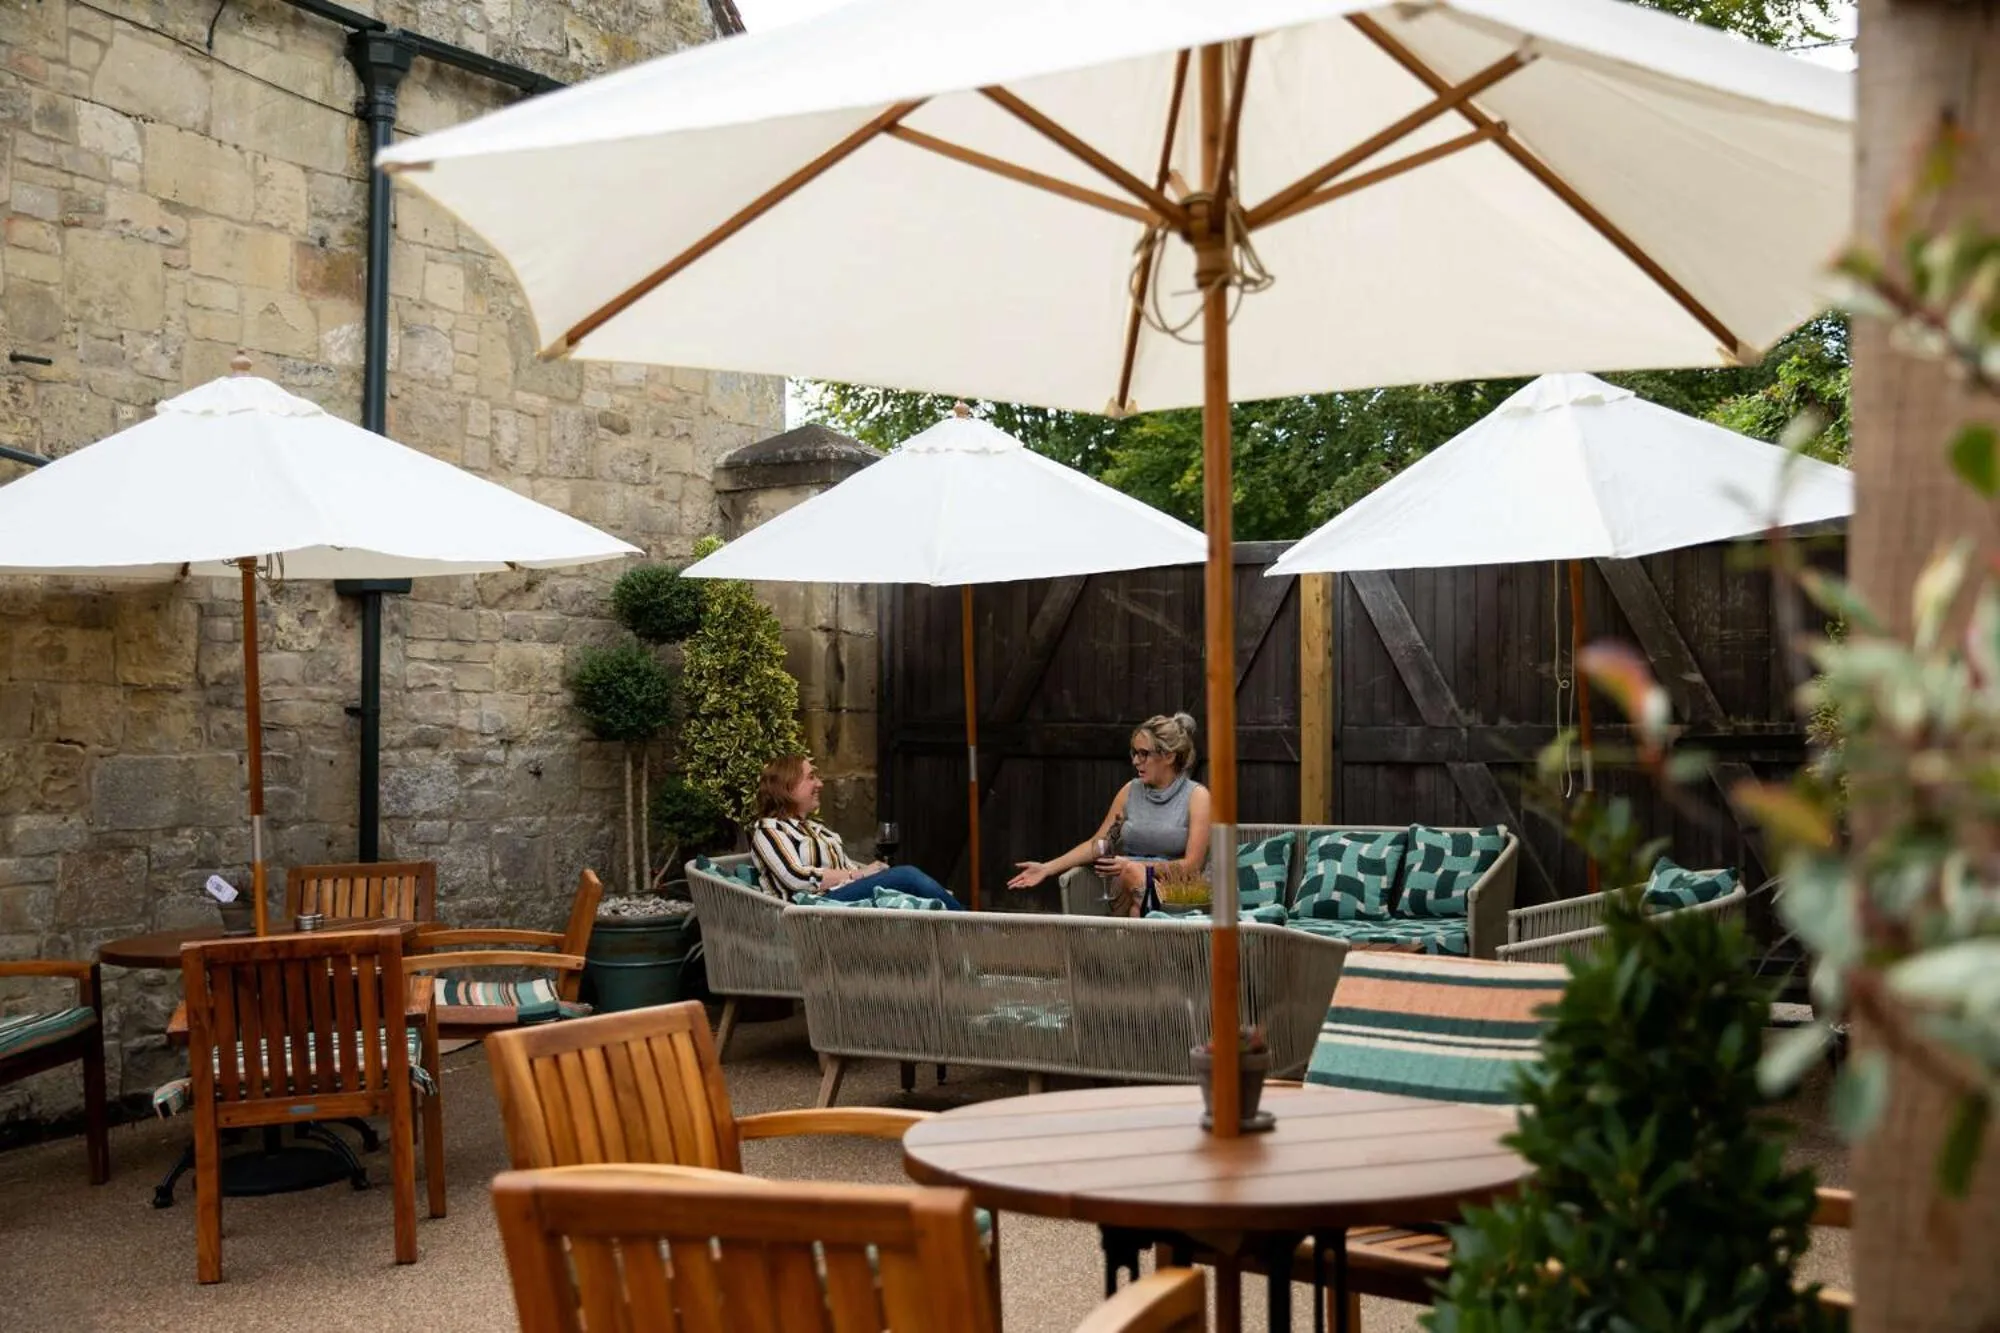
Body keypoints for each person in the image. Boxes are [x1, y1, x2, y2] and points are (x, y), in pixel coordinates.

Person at [1006, 712, 1212, 916]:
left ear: (1169, 756)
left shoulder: (1196, 796)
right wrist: (1047, 868)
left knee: (1134, 891)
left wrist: (1135, 866)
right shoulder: (1130, 791)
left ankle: (1136, 930)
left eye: (1144, 753)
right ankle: (1150, 926)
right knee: (1132, 884)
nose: (1136, 761)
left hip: (1176, 889)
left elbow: (1191, 867)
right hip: (1124, 883)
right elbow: (1098, 844)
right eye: (1134, 753)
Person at [749, 754, 966, 910]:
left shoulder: (817, 830)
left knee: (921, 893)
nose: (820, 784)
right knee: (907, 875)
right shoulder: (769, 830)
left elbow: (847, 869)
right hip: (811, 910)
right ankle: (978, 930)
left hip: (841, 899)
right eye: (811, 777)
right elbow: (796, 878)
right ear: (787, 785)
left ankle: (966, 954)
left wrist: (874, 873)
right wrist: (860, 874)